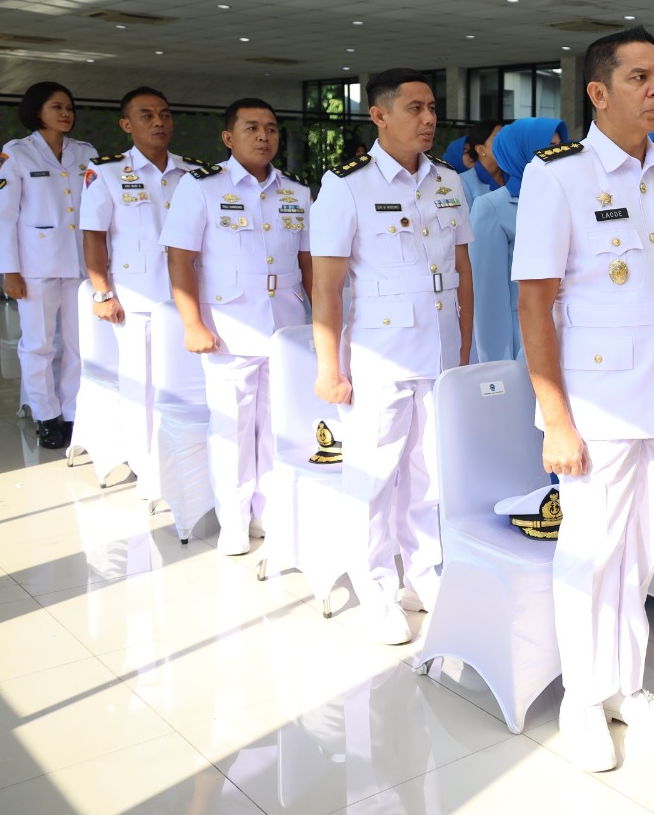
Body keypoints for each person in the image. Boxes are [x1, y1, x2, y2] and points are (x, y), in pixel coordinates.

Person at [514, 27, 654, 773]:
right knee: (591, 551)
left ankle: (626, 686)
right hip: (595, 401)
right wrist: (555, 418)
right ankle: (581, 699)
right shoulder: (558, 176)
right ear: (598, 93)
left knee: (640, 549)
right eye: (640, 78)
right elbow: (535, 303)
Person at [310, 67, 474, 645]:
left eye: (432, 108)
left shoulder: (448, 182)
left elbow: (462, 272)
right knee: (374, 477)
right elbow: (327, 286)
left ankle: (424, 576)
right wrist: (329, 367)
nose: (429, 119)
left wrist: (464, 350)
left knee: (431, 475)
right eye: (415, 108)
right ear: (379, 116)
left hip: (440, 352)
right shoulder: (346, 185)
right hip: (381, 354)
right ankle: (376, 589)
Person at [161, 99, 312, 556]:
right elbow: (180, 258)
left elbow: (308, 262)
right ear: (229, 137)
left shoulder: (296, 191)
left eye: (271, 128)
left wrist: (319, 323)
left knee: (277, 425)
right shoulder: (201, 187)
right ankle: (233, 519)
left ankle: (267, 512)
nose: (264, 136)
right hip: (229, 326)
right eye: (252, 128)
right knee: (232, 427)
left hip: (286, 325)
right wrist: (192, 323)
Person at [80, 86, 204, 486]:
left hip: (190, 297)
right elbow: (94, 235)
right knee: (142, 385)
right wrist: (102, 292)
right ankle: (146, 467)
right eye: (146, 115)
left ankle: (183, 462)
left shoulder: (195, 173)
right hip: (138, 296)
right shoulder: (106, 171)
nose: (158, 122)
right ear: (126, 124)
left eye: (164, 114)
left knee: (186, 383)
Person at [0, 81, 97, 450]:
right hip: (35, 264)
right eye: (56, 107)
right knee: (38, 344)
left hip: (80, 262)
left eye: (69, 107)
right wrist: (10, 270)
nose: (66, 113)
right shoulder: (17, 153)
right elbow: (3, 215)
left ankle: (72, 412)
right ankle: (46, 415)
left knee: (79, 344)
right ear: (38, 111)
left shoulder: (86, 152)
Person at [468, 117, 567, 363]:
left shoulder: (567, 199)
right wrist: (497, 367)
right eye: (547, 148)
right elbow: (489, 300)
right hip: (523, 347)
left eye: (559, 146)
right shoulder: (492, 206)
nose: (556, 155)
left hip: (572, 340)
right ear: (520, 152)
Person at [460, 121, 506, 207]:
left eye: (506, 139)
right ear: (480, 150)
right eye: (498, 139)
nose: (505, 144)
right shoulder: (463, 182)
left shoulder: (515, 176)